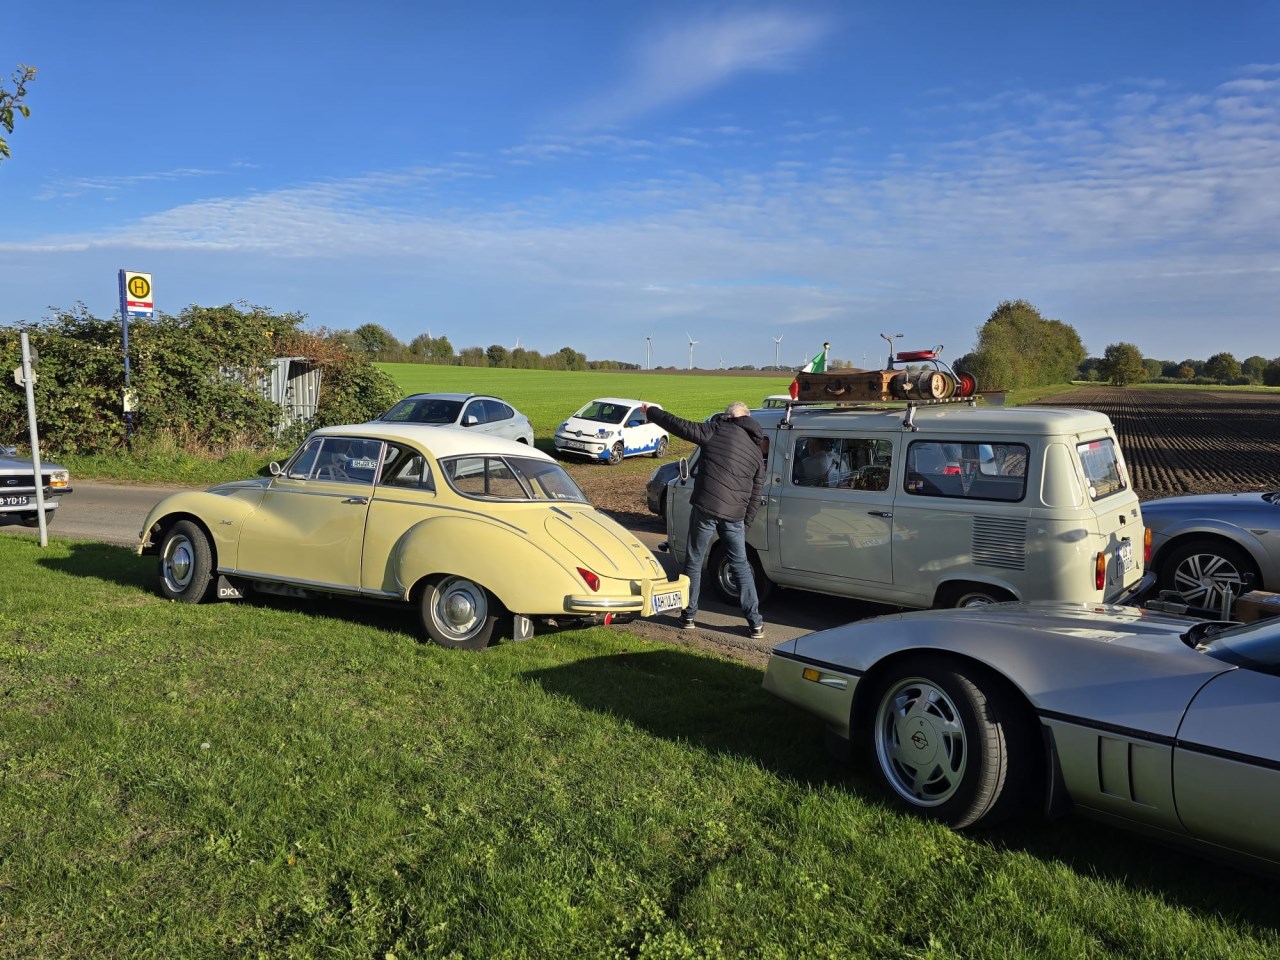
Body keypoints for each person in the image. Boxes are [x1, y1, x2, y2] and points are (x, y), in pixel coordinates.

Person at [644, 400, 767, 639]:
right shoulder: (755, 451)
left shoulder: (715, 430)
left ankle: (688, 615)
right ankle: (755, 623)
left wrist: (651, 412)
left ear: (729, 417)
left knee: (694, 560)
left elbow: (679, 425)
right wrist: (745, 523)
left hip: (706, 508)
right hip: (735, 516)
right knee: (740, 565)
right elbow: (756, 493)